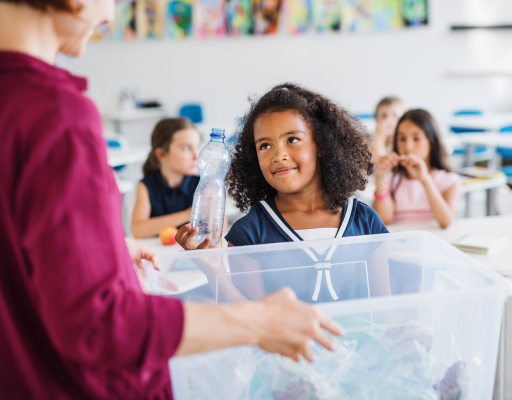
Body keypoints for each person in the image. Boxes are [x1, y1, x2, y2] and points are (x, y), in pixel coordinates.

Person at [0, 1, 343, 399]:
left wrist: (100, 253)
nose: (110, 16)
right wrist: (258, 321)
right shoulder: (56, 116)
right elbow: (99, 325)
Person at [175, 83, 391, 302]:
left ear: (322, 145)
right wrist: (215, 270)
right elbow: (253, 325)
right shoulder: (249, 234)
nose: (279, 155)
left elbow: (385, 313)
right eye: (265, 146)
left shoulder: (366, 222)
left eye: (292, 140)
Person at [373, 109, 462, 229]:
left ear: (432, 141)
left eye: (416, 139)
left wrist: (425, 180)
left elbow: (445, 222)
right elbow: (384, 220)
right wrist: (380, 179)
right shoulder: (392, 179)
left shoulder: (449, 180)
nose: (408, 146)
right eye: (402, 139)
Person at [131, 118, 203, 238]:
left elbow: (220, 228)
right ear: (162, 154)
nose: (196, 156)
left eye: (197, 147)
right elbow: (137, 230)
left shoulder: (202, 185)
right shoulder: (146, 186)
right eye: (186, 148)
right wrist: (188, 215)